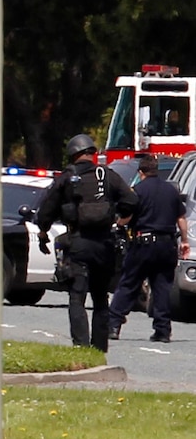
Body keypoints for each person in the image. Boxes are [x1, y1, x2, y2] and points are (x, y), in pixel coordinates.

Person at [35, 134, 138, 352]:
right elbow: (131, 200)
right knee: (101, 298)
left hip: (79, 242)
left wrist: (43, 230)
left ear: (73, 155)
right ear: (92, 153)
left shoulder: (67, 177)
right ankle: (99, 348)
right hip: (104, 244)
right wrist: (119, 218)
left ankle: (81, 347)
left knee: (77, 296)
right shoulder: (108, 175)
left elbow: (47, 209)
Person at [108, 156, 189, 342]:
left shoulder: (137, 191)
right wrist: (184, 241)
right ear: (156, 170)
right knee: (162, 288)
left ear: (141, 172)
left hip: (142, 244)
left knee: (129, 284)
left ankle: (114, 324)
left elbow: (126, 216)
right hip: (166, 244)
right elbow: (181, 219)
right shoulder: (171, 191)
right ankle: (162, 330)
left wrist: (119, 225)